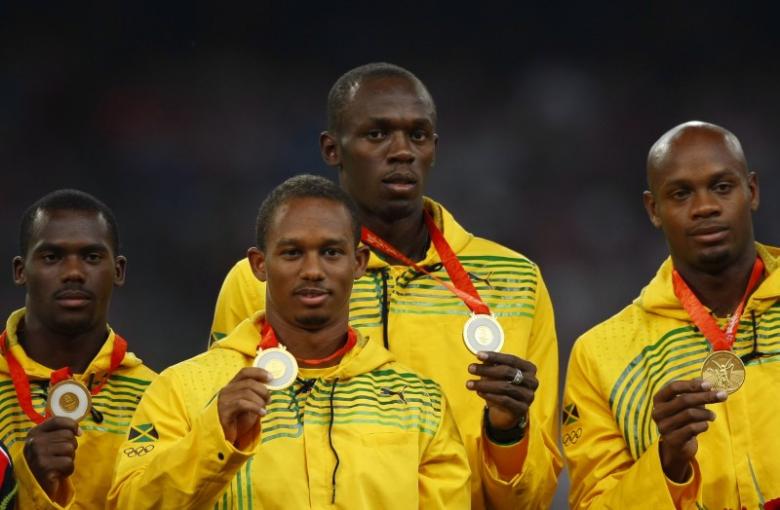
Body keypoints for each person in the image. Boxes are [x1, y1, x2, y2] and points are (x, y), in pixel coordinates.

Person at [210, 63, 561, 509]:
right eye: (377, 135)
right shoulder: (258, 281)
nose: (402, 152)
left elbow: (534, 494)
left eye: (418, 135)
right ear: (331, 149)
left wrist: (508, 432)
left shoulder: (515, 282)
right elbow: (223, 451)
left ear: (435, 147)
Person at [109, 174, 471, 508]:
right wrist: (213, 436)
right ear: (259, 265)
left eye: (330, 252)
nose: (312, 270)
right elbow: (128, 503)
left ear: (358, 262)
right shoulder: (184, 390)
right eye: (292, 252)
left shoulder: (420, 402)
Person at [562, 121, 780, 508]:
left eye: (722, 187)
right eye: (681, 194)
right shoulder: (601, 356)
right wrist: (668, 463)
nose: (705, 207)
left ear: (753, 191)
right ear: (653, 209)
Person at [0, 189, 155, 508]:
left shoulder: (157, 396)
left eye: (92, 257)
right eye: (51, 257)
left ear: (118, 271)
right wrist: (27, 486)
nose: (73, 272)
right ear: (20, 271)